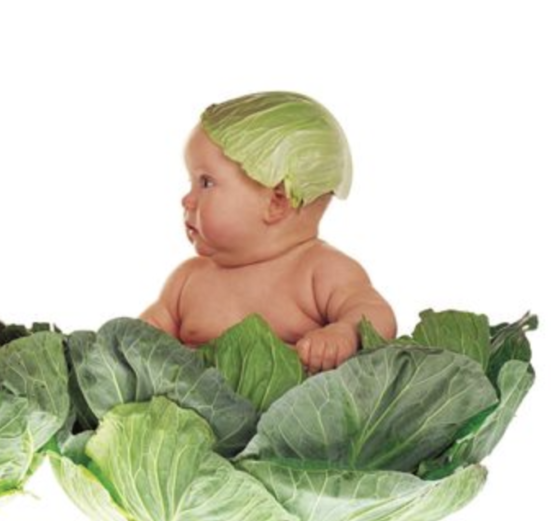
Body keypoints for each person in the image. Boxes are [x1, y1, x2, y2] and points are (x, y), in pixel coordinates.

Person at [141, 91, 396, 373]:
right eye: (191, 182)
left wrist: (345, 334)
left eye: (206, 183)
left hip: (294, 418)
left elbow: (377, 314)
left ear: (277, 202)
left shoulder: (321, 271)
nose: (186, 200)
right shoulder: (187, 280)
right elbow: (140, 338)